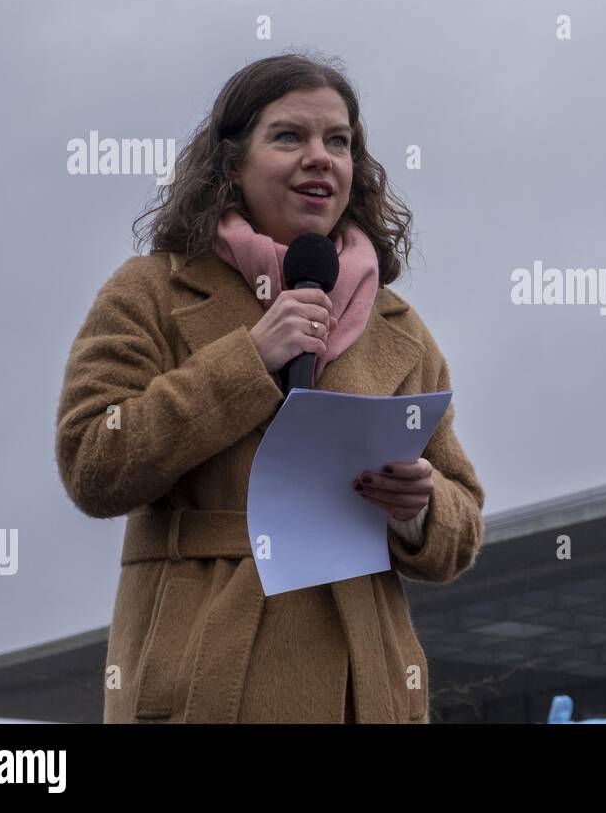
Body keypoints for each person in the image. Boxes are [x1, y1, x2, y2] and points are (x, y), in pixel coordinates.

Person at [54, 53, 485, 723]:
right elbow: (93, 464)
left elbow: (460, 530)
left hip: (364, 692)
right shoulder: (149, 293)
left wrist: (418, 508)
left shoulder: (399, 328)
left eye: (337, 141)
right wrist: (249, 361)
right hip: (209, 686)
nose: (320, 157)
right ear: (230, 165)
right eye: (290, 137)